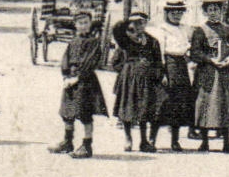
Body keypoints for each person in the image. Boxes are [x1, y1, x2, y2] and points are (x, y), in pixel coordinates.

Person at [51, 9, 108, 158]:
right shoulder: (73, 42)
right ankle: (67, 141)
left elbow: (91, 62)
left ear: (90, 24)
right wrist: (65, 76)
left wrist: (78, 77)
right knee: (67, 111)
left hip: (85, 82)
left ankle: (87, 145)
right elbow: (66, 60)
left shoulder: (94, 42)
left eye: (86, 23)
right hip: (70, 80)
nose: (83, 26)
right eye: (80, 23)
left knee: (85, 113)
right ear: (75, 25)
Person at [190, 0, 229, 153]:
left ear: (221, 11)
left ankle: (226, 141)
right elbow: (195, 53)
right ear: (205, 12)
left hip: (224, 73)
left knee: (224, 105)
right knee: (205, 104)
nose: (213, 13)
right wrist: (210, 60)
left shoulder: (226, 29)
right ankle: (204, 141)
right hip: (207, 73)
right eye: (210, 10)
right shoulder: (200, 30)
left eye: (216, 9)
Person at [111, 11, 162, 152]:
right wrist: (127, 69)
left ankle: (144, 141)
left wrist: (153, 72)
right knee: (128, 108)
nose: (139, 26)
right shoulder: (125, 41)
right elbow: (115, 62)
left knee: (144, 109)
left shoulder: (152, 42)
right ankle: (128, 138)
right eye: (136, 22)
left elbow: (158, 62)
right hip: (129, 80)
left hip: (146, 80)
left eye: (142, 22)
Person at [151, 0, 197, 152]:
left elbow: (188, 47)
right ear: (167, 13)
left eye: (180, 12)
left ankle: (175, 140)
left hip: (181, 66)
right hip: (168, 65)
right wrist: (163, 73)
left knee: (179, 104)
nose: (177, 15)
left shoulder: (185, 29)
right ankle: (152, 139)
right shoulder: (162, 29)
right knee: (163, 103)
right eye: (173, 12)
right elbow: (160, 52)